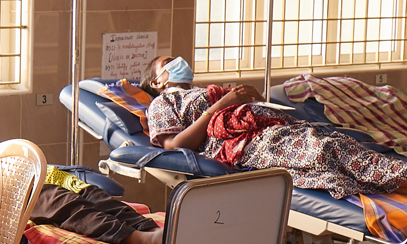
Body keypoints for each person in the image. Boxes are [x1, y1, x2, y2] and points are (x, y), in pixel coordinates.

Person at [139, 55, 407, 199]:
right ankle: (399, 179)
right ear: (156, 82)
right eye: (168, 62)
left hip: (272, 128)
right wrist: (222, 104)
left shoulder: (201, 90)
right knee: (326, 149)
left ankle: (396, 180)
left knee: (336, 142)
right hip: (245, 143)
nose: (178, 61)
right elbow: (174, 145)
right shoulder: (163, 103)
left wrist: (250, 101)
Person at [0, 130, 164, 244]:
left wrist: (0, 145)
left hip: (37, 171)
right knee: (60, 202)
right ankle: (141, 241)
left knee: (93, 195)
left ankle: (154, 232)